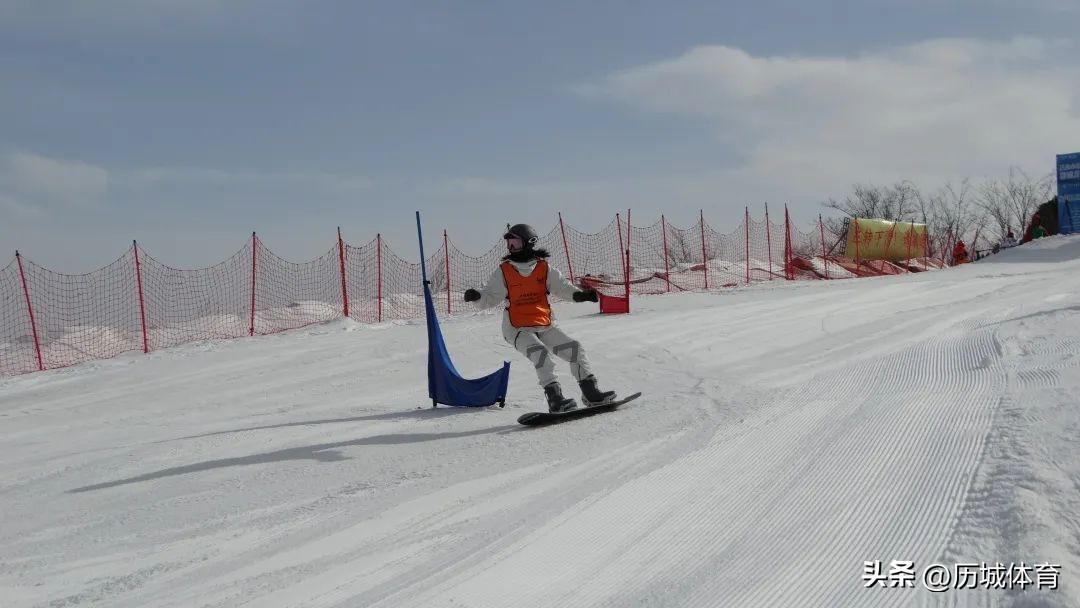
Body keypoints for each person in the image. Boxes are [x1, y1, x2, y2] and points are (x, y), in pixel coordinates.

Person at [463, 224, 616, 413]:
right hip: (517, 328)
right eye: (509, 243)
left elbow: (562, 287)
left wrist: (580, 295)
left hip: (544, 324)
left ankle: (590, 393)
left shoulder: (544, 268)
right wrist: (477, 296)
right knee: (540, 354)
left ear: (529, 242)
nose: (511, 247)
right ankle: (555, 398)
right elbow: (491, 296)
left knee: (575, 350)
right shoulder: (504, 271)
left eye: (515, 242)